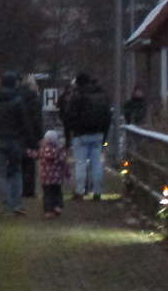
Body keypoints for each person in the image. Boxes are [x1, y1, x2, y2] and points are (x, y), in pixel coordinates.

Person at [0, 71, 36, 215]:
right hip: (16, 141)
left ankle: (7, 206)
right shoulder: (18, 100)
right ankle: (17, 203)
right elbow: (25, 123)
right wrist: (30, 141)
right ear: (14, 84)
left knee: (1, 173)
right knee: (16, 171)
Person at [62, 71, 112, 200]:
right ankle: (97, 191)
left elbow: (68, 117)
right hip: (98, 134)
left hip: (80, 134)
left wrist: (70, 134)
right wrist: (104, 135)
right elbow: (108, 116)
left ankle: (80, 190)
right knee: (97, 163)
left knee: (80, 163)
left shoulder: (77, 97)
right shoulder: (101, 95)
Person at [37, 128, 71, 218]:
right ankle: (58, 207)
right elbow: (65, 164)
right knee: (58, 193)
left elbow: (35, 155)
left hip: (46, 178)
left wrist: (27, 151)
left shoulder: (42, 150)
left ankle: (48, 211)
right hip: (57, 178)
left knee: (47, 195)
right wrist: (67, 175)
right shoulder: (59, 151)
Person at [19, 74, 43, 197]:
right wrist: (40, 137)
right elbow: (38, 120)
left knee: (19, 163)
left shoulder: (17, 97)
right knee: (30, 164)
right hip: (32, 136)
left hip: (19, 135)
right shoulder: (36, 99)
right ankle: (29, 190)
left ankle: (19, 189)